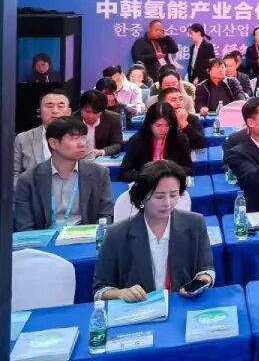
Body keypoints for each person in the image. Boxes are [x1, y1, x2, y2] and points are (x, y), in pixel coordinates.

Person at [93, 160, 215, 301]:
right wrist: (121, 293)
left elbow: (206, 269)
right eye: (159, 196)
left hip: (182, 303)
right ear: (143, 196)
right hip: (139, 308)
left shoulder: (195, 223)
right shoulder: (116, 234)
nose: (167, 203)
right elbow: (100, 290)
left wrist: (203, 279)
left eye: (173, 195)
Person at [14, 116, 114, 230]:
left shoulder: (99, 174)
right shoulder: (28, 180)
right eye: (74, 138)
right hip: (45, 238)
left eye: (83, 137)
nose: (82, 144)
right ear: (53, 143)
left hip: (84, 236)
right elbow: (25, 227)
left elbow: (106, 215)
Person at [119, 102, 193, 182]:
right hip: (146, 183)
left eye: (167, 125)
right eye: (158, 125)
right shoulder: (137, 140)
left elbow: (189, 169)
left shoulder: (180, 139)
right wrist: (146, 176)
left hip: (171, 182)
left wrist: (170, 171)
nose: (163, 130)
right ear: (149, 124)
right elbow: (124, 173)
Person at [14, 90, 71, 180]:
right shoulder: (23, 138)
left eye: (60, 106)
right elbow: (14, 173)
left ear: (69, 112)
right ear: (39, 112)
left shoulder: (80, 138)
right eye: (49, 106)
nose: (55, 111)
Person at [77, 90, 123, 159]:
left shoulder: (113, 119)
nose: (90, 116)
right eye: (87, 111)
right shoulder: (72, 120)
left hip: (101, 160)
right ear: (81, 108)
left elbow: (117, 144)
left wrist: (101, 152)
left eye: (95, 113)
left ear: (102, 111)